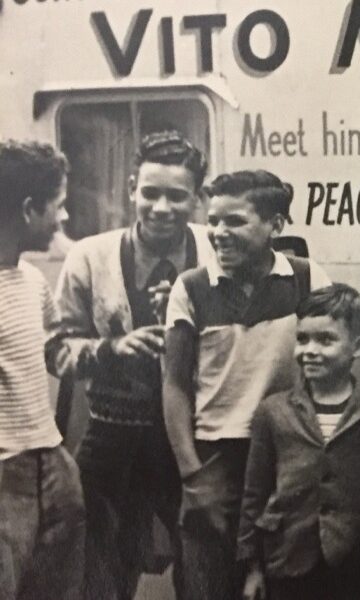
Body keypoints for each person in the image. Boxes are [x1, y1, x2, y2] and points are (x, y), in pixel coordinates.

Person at [46, 130, 213, 599]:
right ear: (132, 189)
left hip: (195, 440)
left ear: (197, 199)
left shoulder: (216, 251)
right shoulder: (90, 256)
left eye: (177, 196)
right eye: (151, 193)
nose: (162, 208)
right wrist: (109, 349)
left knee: (204, 570)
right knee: (99, 575)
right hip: (112, 437)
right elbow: (55, 351)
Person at [163, 169, 332, 600]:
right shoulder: (191, 287)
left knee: (283, 584)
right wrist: (192, 475)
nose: (218, 232)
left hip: (285, 456)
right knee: (207, 583)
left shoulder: (308, 278)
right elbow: (176, 385)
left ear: (276, 225)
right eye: (213, 221)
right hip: (215, 457)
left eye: (234, 221)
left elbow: (329, 372)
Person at [238, 284, 360, 600]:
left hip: (353, 564)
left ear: (358, 347)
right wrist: (252, 569)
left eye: (326, 340)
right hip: (287, 560)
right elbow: (254, 493)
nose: (310, 350)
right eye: (302, 339)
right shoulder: (273, 412)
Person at [0, 140, 85, 600]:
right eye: (60, 205)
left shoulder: (32, 281)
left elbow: (55, 352)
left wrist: (104, 348)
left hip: (51, 462)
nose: (65, 218)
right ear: (30, 209)